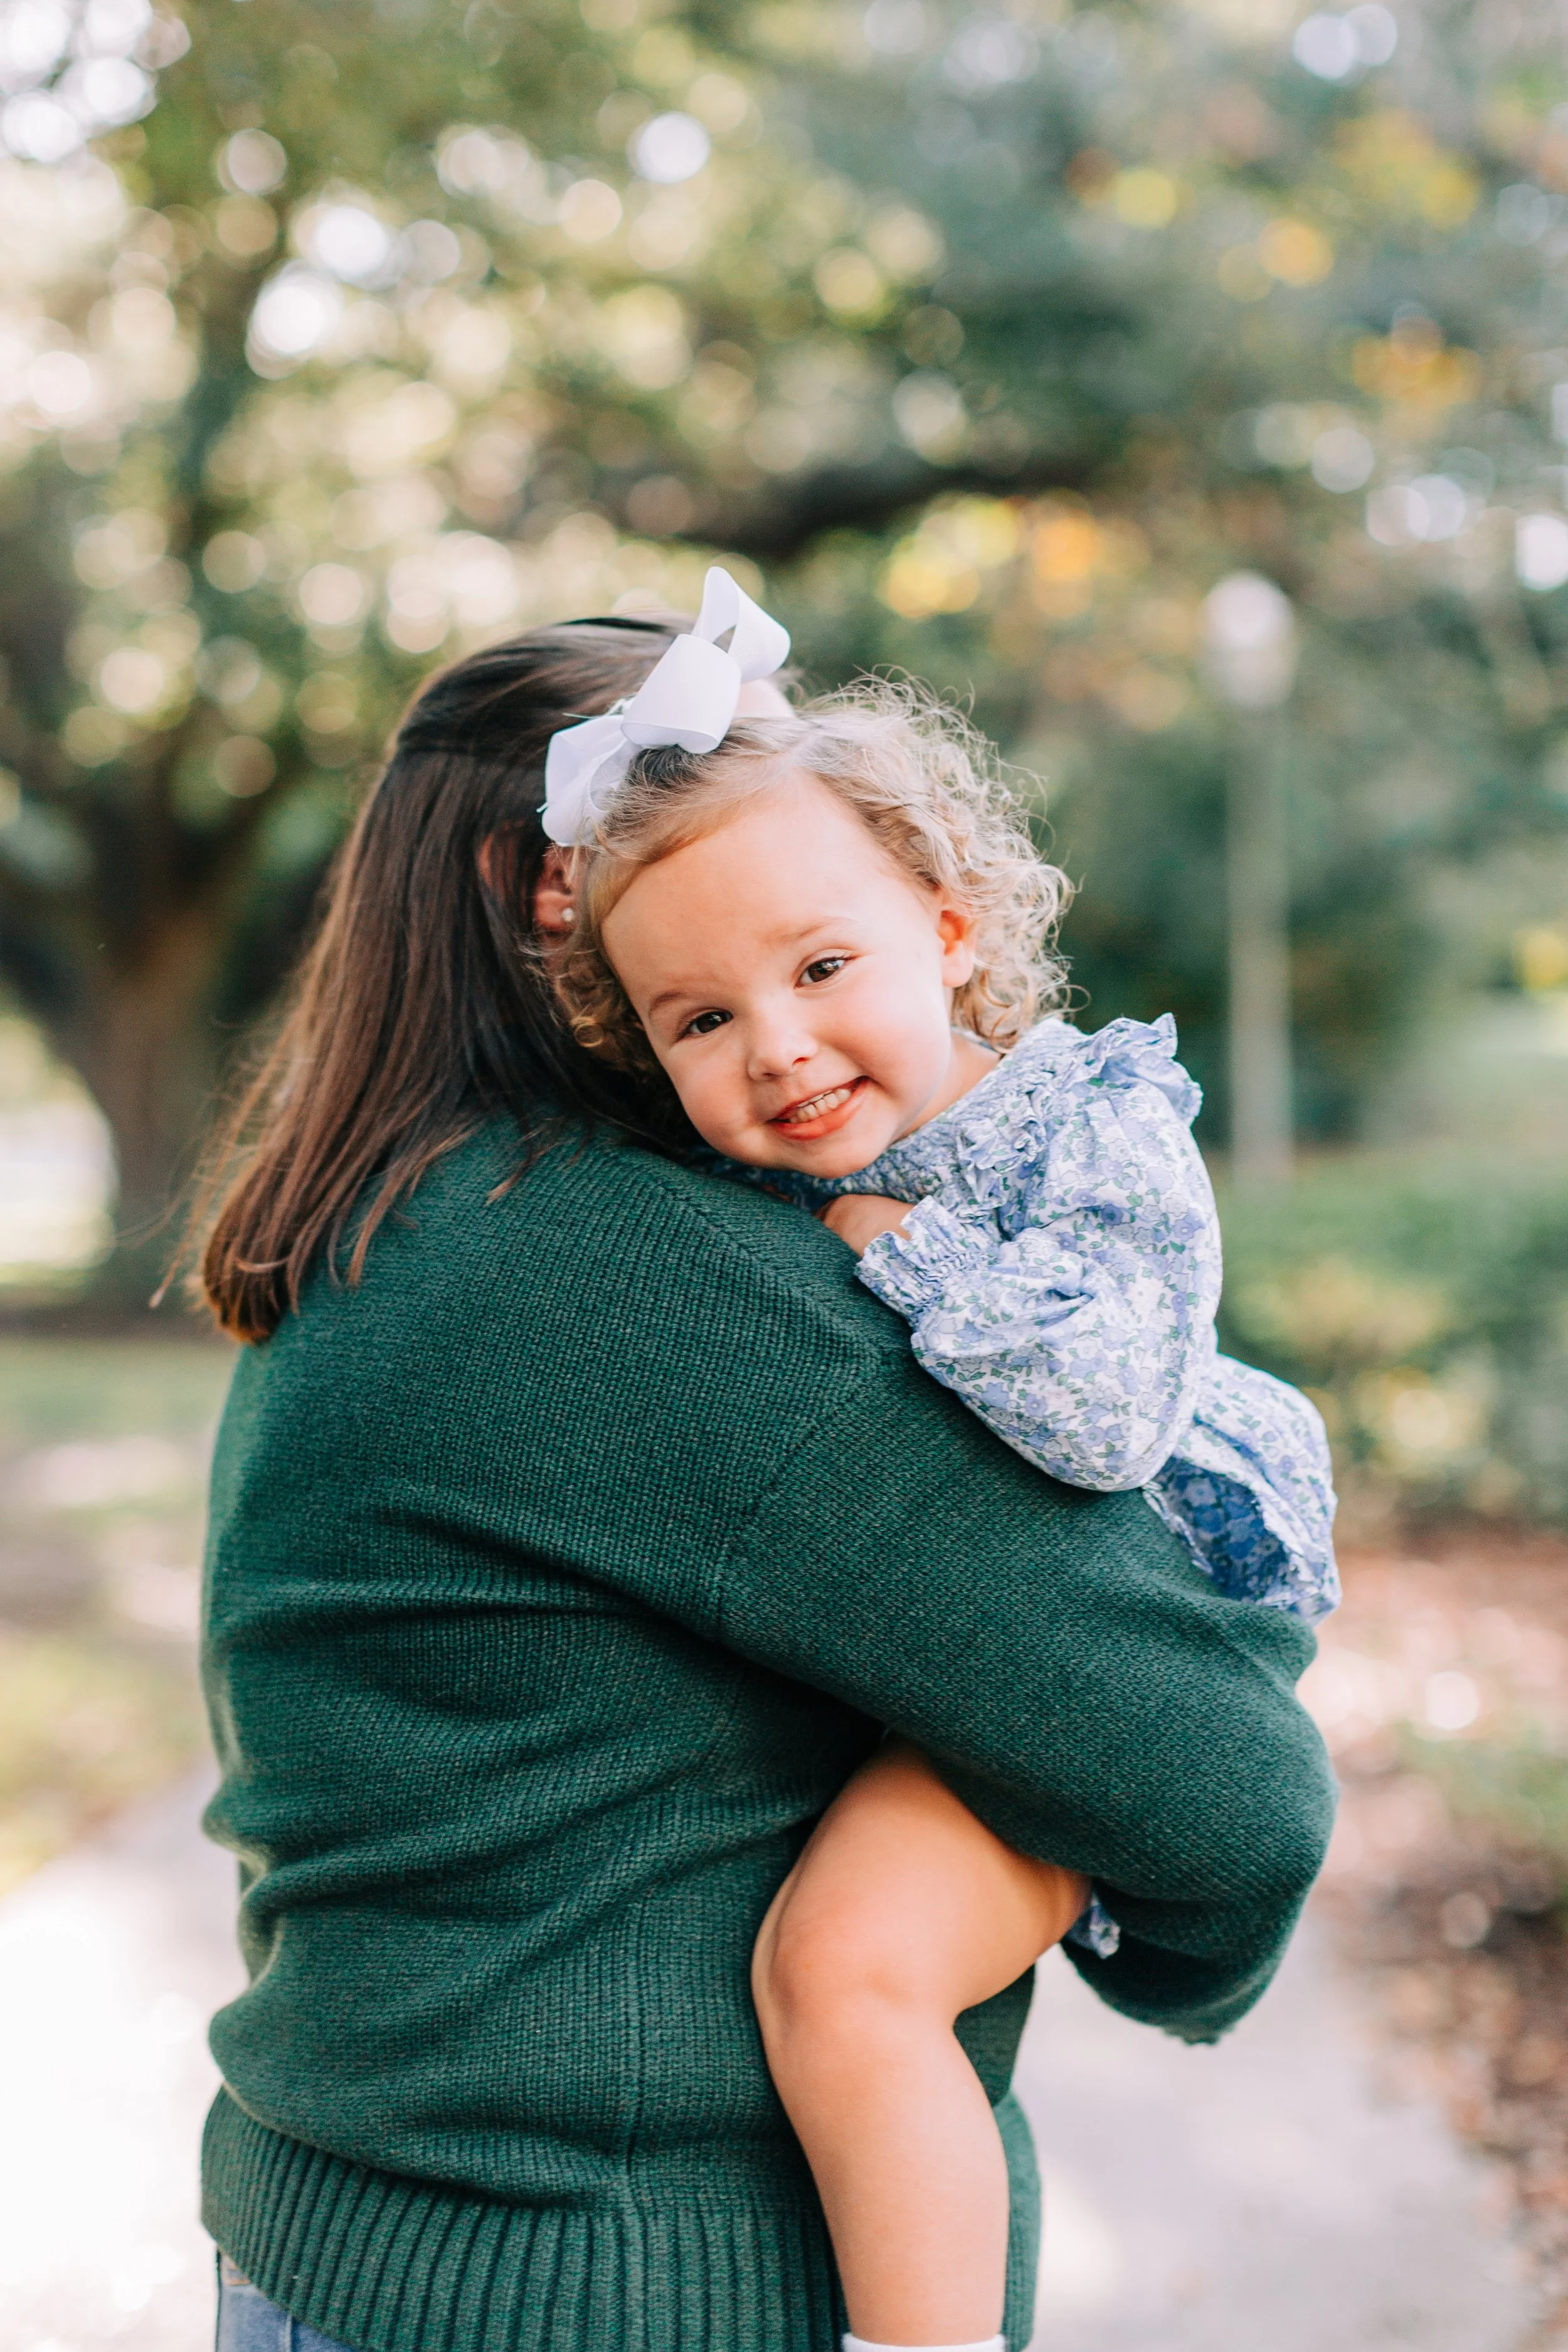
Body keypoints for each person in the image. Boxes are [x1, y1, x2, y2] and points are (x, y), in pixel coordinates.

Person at [193, 590, 1335, 2352]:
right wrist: (1166, 1938)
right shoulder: (616, 1273)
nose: (784, 1029)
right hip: (620, 2282)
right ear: (554, 902)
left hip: (365, 2249)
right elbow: (1222, 1784)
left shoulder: (385, 1241)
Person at [549, 575, 1338, 2351]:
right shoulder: (761, 1176)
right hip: (968, 1615)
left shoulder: (1092, 1128)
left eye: (821, 966)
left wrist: (899, 1246)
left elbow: (1108, 1413)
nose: (779, 1045)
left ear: (950, 922)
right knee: (802, 1963)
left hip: (1153, 1594)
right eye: (698, 1019)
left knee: (844, 1973)